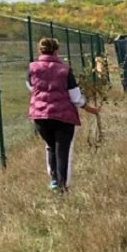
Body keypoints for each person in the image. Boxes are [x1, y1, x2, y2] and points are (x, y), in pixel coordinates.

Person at [27, 37, 101, 193]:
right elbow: (75, 98)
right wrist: (91, 109)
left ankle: (53, 180)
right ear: (56, 51)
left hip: (40, 116)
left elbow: (31, 87)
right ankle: (63, 186)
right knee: (63, 151)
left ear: (40, 50)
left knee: (50, 146)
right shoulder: (64, 70)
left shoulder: (32, 68)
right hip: (63, 117)